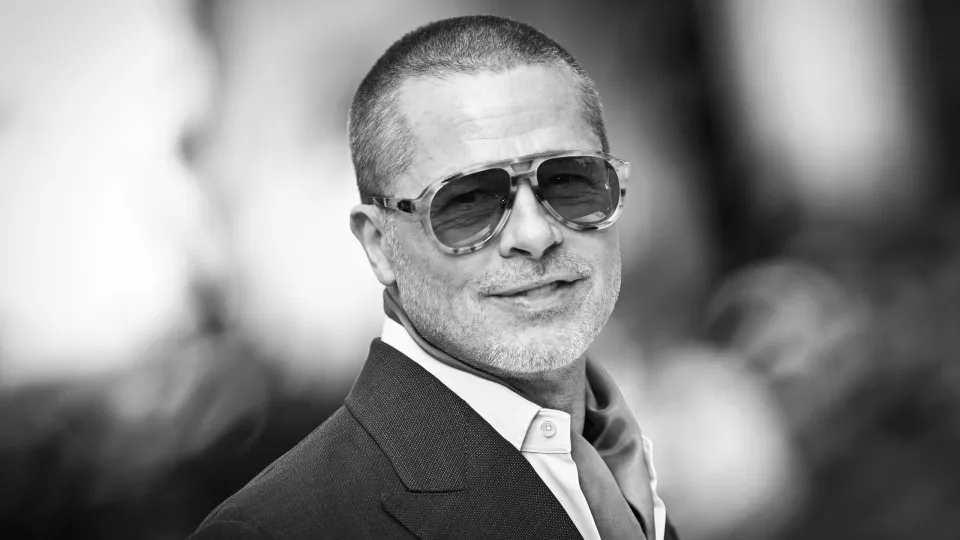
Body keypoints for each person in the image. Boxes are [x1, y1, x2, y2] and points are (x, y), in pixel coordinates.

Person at [190, 14, 680, 540]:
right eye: (468, 202)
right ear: (379, 245)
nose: (536, 235)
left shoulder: (618, 453)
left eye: (569, 181)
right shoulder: (273, 530)